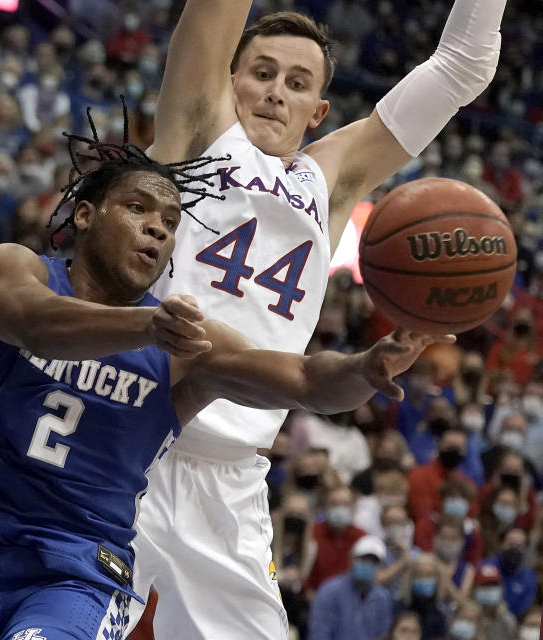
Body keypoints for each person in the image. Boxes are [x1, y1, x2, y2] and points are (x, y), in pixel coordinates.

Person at [0, 123, 447, 639]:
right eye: (138, 208)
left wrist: (365, 369)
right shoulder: (13, 268)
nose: (157, 228)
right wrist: (147, 325)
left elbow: (303, 379)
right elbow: (38, 326)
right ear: (84, 215)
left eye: (171, 222)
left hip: (80, 573)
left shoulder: (184, 346)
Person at [131, 0, 507, 636]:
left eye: (297, 83)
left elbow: (462, 66)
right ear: (227, 79)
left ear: (319, 112)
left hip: (233, 477)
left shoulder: (329, 178)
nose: (277, 92)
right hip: (128, 434)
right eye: (262, 73)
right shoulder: (199, 129)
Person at [308, 535, 393, 640]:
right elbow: (319, 633)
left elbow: (382, 635)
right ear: (352, 559)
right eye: (364, 559)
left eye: (373, 562)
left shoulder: (382, 597)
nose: (368, 564)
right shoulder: (329, 592)